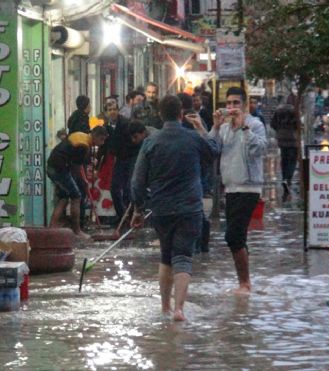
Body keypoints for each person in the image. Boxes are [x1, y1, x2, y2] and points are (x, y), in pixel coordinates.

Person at [131, 95, 218, 321]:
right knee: (184, 256)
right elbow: (213, 152)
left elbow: (137, 181)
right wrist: (202, 128)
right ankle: (180, 309)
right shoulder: (192, 139)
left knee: (166, 256)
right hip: (190, 208)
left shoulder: (151, 142)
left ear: (160, 115)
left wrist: (138, 209)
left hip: (161, 209)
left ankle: (164, 307)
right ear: (181, 114)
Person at [209, 87, 268, 295]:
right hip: (231, 187)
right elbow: (210, 150)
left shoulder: (255, 124)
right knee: (238, 236)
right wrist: (215, 127)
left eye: (236, 103)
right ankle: (244, 281)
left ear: (244, 104)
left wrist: (245, 129)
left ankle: (245, 282)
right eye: (229, 103)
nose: (232, 107)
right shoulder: (224, 128)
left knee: (232, 236)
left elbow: (261, 149)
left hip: (249, 187)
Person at [47, 126, 108, 239]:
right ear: (94, 135)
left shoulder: (81, 135)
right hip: (59, 170)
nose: (102, 143)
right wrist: (83, 181)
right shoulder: (83, 146)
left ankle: (52, 229)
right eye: (101, 139)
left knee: (64, 197)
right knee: (76, 196)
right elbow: (76, 168)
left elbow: (76, 164)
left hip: (53, 167)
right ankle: (77, 231)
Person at [100, 101, 137, 223]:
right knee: (114, 188)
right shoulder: (106, 127)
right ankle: (121, 215)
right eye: (110, 109)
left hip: (130, 158)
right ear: (106, 112)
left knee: (128, 189)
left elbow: (132, 141)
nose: (113, 112)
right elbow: (104, 144)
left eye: (114, 109)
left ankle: (131, 215)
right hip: (119, 160)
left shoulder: (126, 123)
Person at [270, 103, 299, 201]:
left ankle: (284, 178)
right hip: (293, 139)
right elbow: (298, 124)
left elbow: (272, 124)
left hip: (282, 138)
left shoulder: (279, 111)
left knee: (284, 159)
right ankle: (288, 179)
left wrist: (280, 130)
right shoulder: (295, 110)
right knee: (292, 160)